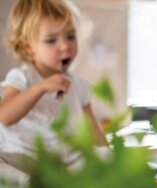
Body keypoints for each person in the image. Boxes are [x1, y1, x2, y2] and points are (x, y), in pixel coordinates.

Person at [0, 0, 107, 172]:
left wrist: (110, 160)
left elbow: (94, 132)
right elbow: (5, 116)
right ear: (29, 47)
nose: (65, 46)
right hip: (24, 158)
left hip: (62, 162)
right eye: (51, 40)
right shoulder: (22, 77)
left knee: (102, 155)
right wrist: (40, 87)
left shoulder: (79, 87)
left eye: (70, 36)